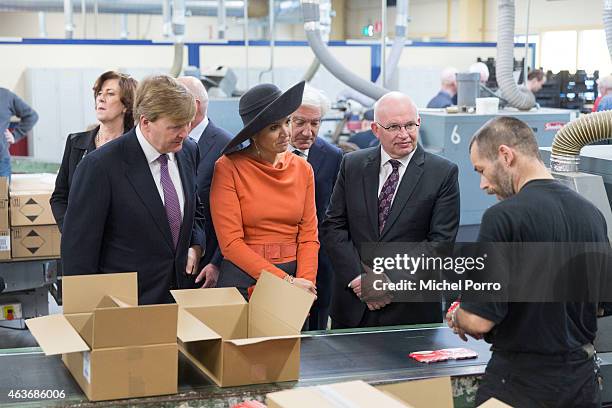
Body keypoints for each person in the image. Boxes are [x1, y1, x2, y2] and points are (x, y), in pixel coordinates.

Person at [447, 116, 607, 407]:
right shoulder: (592, 214)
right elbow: (600, 305)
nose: (483, 184)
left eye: (482, 170)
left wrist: (457, 316)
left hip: (521, 385)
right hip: (581, 385)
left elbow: (478, 320)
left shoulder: (503, 217)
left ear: (506, 155)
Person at [61, 75, 205, 305]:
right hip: (126, 305)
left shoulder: (187, 152)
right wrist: (85, 315)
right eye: (176, 126)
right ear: (145, 122)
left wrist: (196, 245)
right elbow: (78, 252)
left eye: (188, 123)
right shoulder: (101, 166)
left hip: (179, 296)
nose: (185, 133)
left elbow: (194, 207)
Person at [321, 91, 460, 329]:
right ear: (376, 129)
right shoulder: (352, 165)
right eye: (394, 127)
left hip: (410, 309)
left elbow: (439, 244)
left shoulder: (442, 173)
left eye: (410, 125)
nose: (404, 134)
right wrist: (359, 279)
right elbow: (334, 226)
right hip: (354, 306)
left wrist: (387, 281)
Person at [210, 81, 318, 301]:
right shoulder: (228, 167)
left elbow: (309, 236)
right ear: (254, 134)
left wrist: (306, 284)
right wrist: (286, 282)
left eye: (287, 122)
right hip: (245, 277)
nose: (285, 133)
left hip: (296, 279)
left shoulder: (303, 169)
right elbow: (230, 244)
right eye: (273, 127)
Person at [50, 71, 138, 232]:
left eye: (110, 94)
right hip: (79, 242)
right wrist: (69, 229)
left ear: (126, 105)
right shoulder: (76, 143)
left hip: (121, 245)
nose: (101, 98)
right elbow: (59, 196)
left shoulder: (136, 147)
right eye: (99, 93)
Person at [289, 85, 343, 330]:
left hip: (320, 262)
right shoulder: (266, 154)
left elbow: (337, 213)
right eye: (300, 122)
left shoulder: (332, 156)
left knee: (317, 328)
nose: (307, 131)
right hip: (279, 259)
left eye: (315, 123)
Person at [176, 76, 233, 289]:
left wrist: (217, 263)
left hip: (206, 267)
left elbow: (233, 213)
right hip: (175, 262)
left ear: (194, 105)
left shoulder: (226, 146)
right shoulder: (170, 144)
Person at [0, 87, 38, 178]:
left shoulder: (6, 96)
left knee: (3, 192)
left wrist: (15, 135)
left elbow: (31, 116)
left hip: (1, 162)